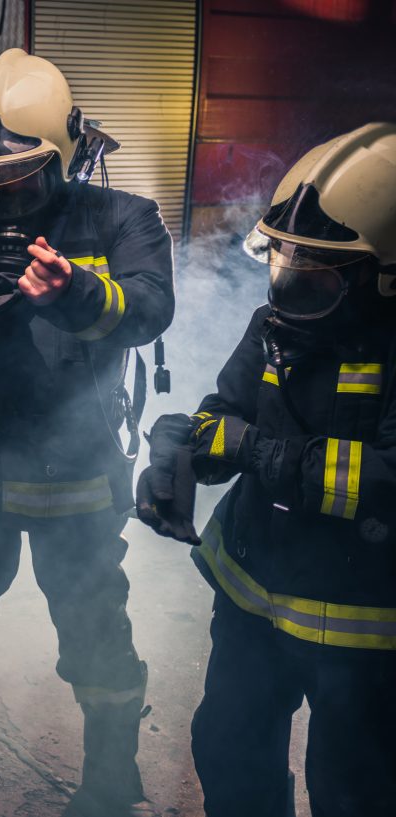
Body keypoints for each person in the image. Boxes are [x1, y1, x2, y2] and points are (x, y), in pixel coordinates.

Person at [0, 48, 174, 817]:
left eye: (19, 179)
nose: (2, 197)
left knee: (96, 634)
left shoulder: (121, 219)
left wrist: (77, 290)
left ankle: (111, 777)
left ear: (67, 156)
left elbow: (148, 307)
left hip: (75, 482)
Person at [137, 122, 396, 817]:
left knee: (354, 792)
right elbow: (229, 411)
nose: (289, 287)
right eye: (286, 262)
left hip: (364, 631)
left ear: (385, 278)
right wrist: (179, 453)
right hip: (252, 599)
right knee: (227, 748)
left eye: (316, 272)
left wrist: (257, 449)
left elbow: (384, 480)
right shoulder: (276, 323)